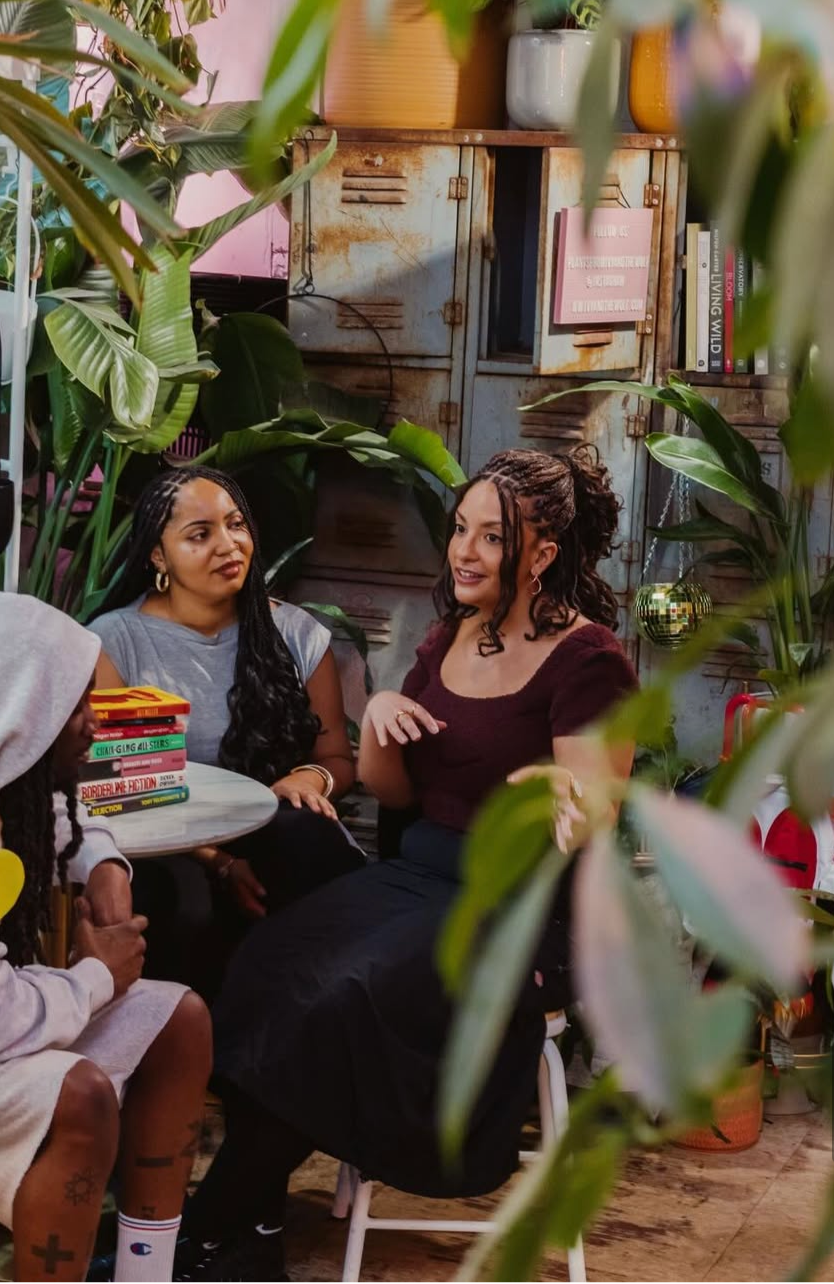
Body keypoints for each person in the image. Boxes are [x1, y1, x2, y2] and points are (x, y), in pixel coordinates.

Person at [176, 446, 640, 1280]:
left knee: (342, 998)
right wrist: (383, 714)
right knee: (273, 965)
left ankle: (206, 1228)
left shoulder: (589, 659)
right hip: (415, 879)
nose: (463, 551)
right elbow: (393, 795)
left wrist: (560, 796)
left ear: (541, 553)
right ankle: (249, 1227)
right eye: (460, 529)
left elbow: (595, 811)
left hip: (516, 906)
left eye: (491, 538)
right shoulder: (451, 637)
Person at [0, 593, 212, 1283]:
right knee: (82, 1096)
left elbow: (53, 811)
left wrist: (102, 865)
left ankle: (144, 1273)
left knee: (179, 1021)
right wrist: (97, 979)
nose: (93, 724)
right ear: (14, 708)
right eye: (73, 705)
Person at [88, 465, 364, 1000]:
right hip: (167, 847)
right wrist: (219, 862)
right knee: (170, 896)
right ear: (157, 556)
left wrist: (305, 780)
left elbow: (338, 759)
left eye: (236, 525)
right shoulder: (116, 642)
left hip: (273, 836)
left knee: (308, 842)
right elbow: (123, 791)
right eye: (200, 534)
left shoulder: (296, 635)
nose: (228, 544)